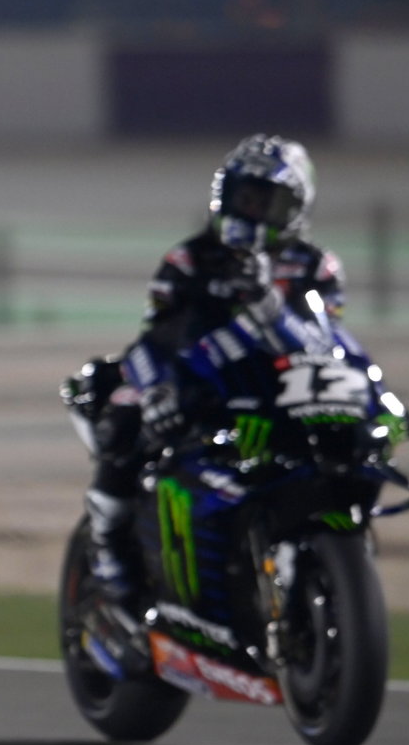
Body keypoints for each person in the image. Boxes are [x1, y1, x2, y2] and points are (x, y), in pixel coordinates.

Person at [70, 134, 344, 600]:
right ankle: (107, 540)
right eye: (244, 196)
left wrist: (266, 302)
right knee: (121, 415)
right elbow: (155, 337)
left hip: (279, 390)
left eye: (266, 201)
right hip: (195, 386)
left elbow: (327, 342)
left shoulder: (317, 267)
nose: (252, 210)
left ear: (295, 208)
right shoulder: (190, 258)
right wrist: (157, 389)